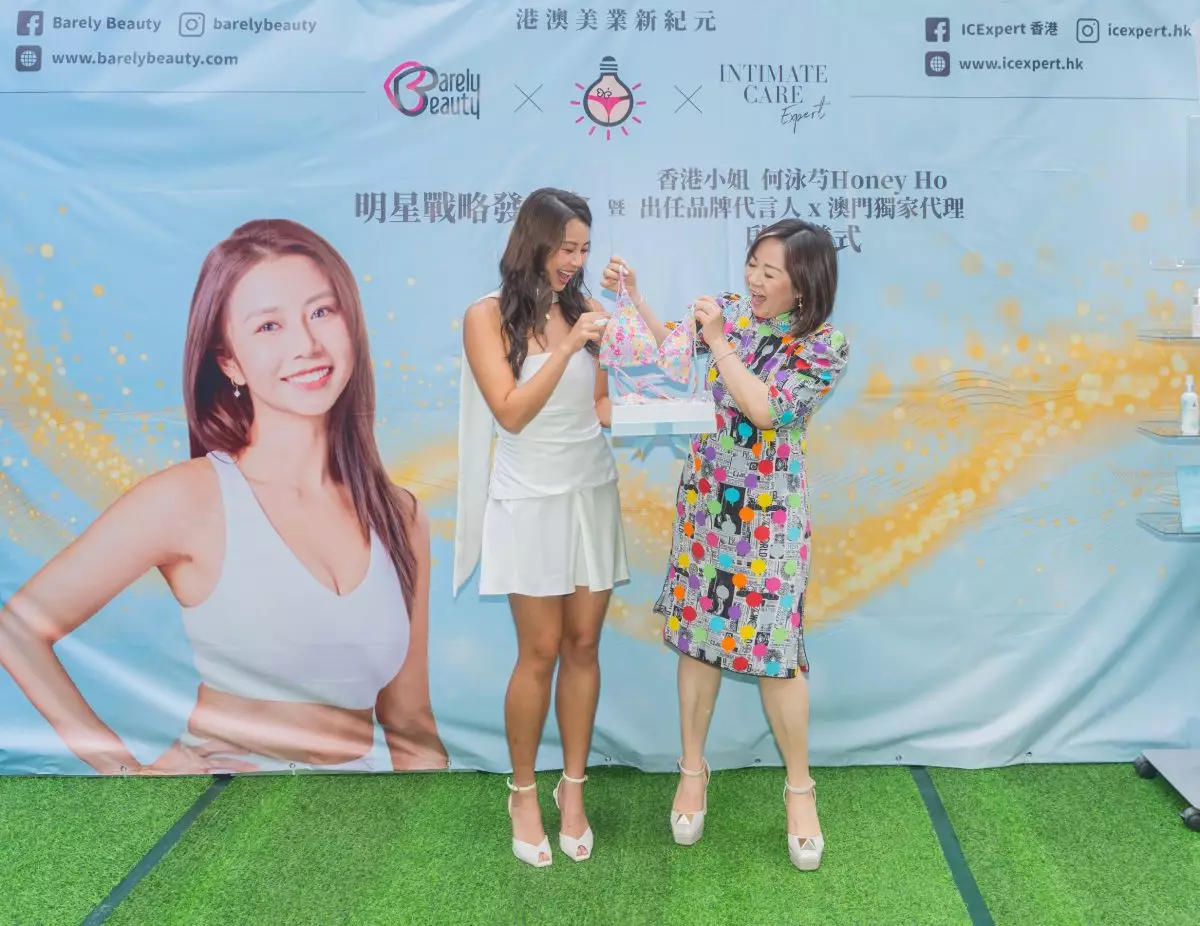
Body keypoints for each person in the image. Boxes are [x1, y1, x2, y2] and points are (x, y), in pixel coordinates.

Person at [0, 218, 447, 776]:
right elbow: (18, 628)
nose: (306, 345)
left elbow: (410, 721)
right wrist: (124, 774)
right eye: (268, 326)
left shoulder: (399, 515)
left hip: (353, 808)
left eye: (321, 312)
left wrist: (431, 818)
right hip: (222, 800)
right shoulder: (189, 499)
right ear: (229, 360)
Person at [601, 219, 850, 871]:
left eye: (771, 272)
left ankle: (800, 790)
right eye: (752, 265)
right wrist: (636, 298)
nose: (754, 281)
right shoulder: (732, 313)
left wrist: (720, 342)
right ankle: (692, 770)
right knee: (698, 639)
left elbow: (767, 409)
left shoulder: (824, 345)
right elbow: (668, 352)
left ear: (806, 283)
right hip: (709, 507)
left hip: (771, 518)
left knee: (776, 654)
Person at [454, 188, 626, 867]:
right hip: (527, 500)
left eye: (583, 249)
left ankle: (571, 790)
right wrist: (569, 347)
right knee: (541, 650)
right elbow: (511, 411)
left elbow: (602, 405)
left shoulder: (589, 311)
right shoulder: (486, 316)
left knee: (584, 644)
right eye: (565, 248)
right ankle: (522, 794)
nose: (575, 261)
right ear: (534, 242)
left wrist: (666, 409)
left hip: (592, 492)